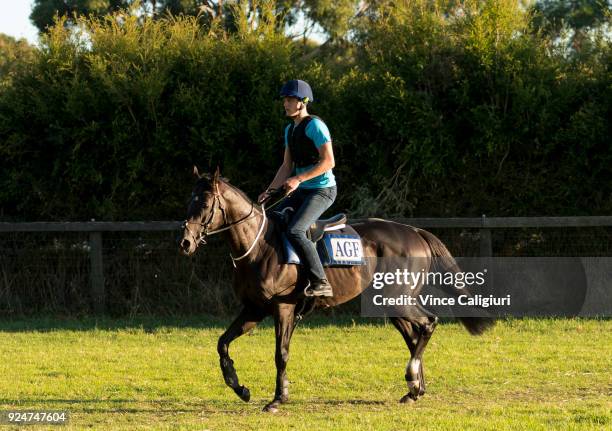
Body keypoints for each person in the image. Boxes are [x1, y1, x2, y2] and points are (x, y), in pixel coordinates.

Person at [258, 79, 337, 297]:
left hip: (322, 191)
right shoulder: (289, 130)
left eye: (290, 99)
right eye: (284, 99)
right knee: (271, 219)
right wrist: (270, 190)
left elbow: (329, 161)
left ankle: (321, 281)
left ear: (302, 102)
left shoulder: (316, 126)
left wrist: (299, 179)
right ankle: (286, 275)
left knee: (296, 230)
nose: (285, 103)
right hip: (302, 190)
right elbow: (286, 166)